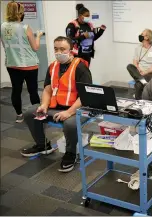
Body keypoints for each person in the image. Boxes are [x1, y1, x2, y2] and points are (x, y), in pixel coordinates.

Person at [21, 36, 92, 173]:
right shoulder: (53, 66)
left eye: (62, 49)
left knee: (70, 123)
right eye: (56, 49)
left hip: (77, 108)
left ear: (71, 50)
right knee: (30, 113)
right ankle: (42, 145)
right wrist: (44, 105)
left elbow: (84, 96)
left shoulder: (81, 67)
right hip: (56, 106)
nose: (58, 52)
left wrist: (69, 112)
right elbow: (48, 89)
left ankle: (71, 153)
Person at [1, 1, 43, 123]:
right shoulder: (25, 27)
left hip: (12, 64)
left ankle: (19, 115)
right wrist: (38, 36)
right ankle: (38, 115)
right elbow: (35, 47)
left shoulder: (2, 27)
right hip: (29, 65)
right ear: (20, 13)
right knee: (32, 90)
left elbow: (5, 45)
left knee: (16, 90)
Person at [127, 29, 152, 100]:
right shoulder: (138, 48)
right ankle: (142, 81)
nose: (140, 36)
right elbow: (135, 61)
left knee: (138, 84)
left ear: (147, 37)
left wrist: (145, 72)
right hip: (138, 72)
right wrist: (138, 69)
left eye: (142, 34)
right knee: (129, 66)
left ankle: (138, 100)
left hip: (149, 74)